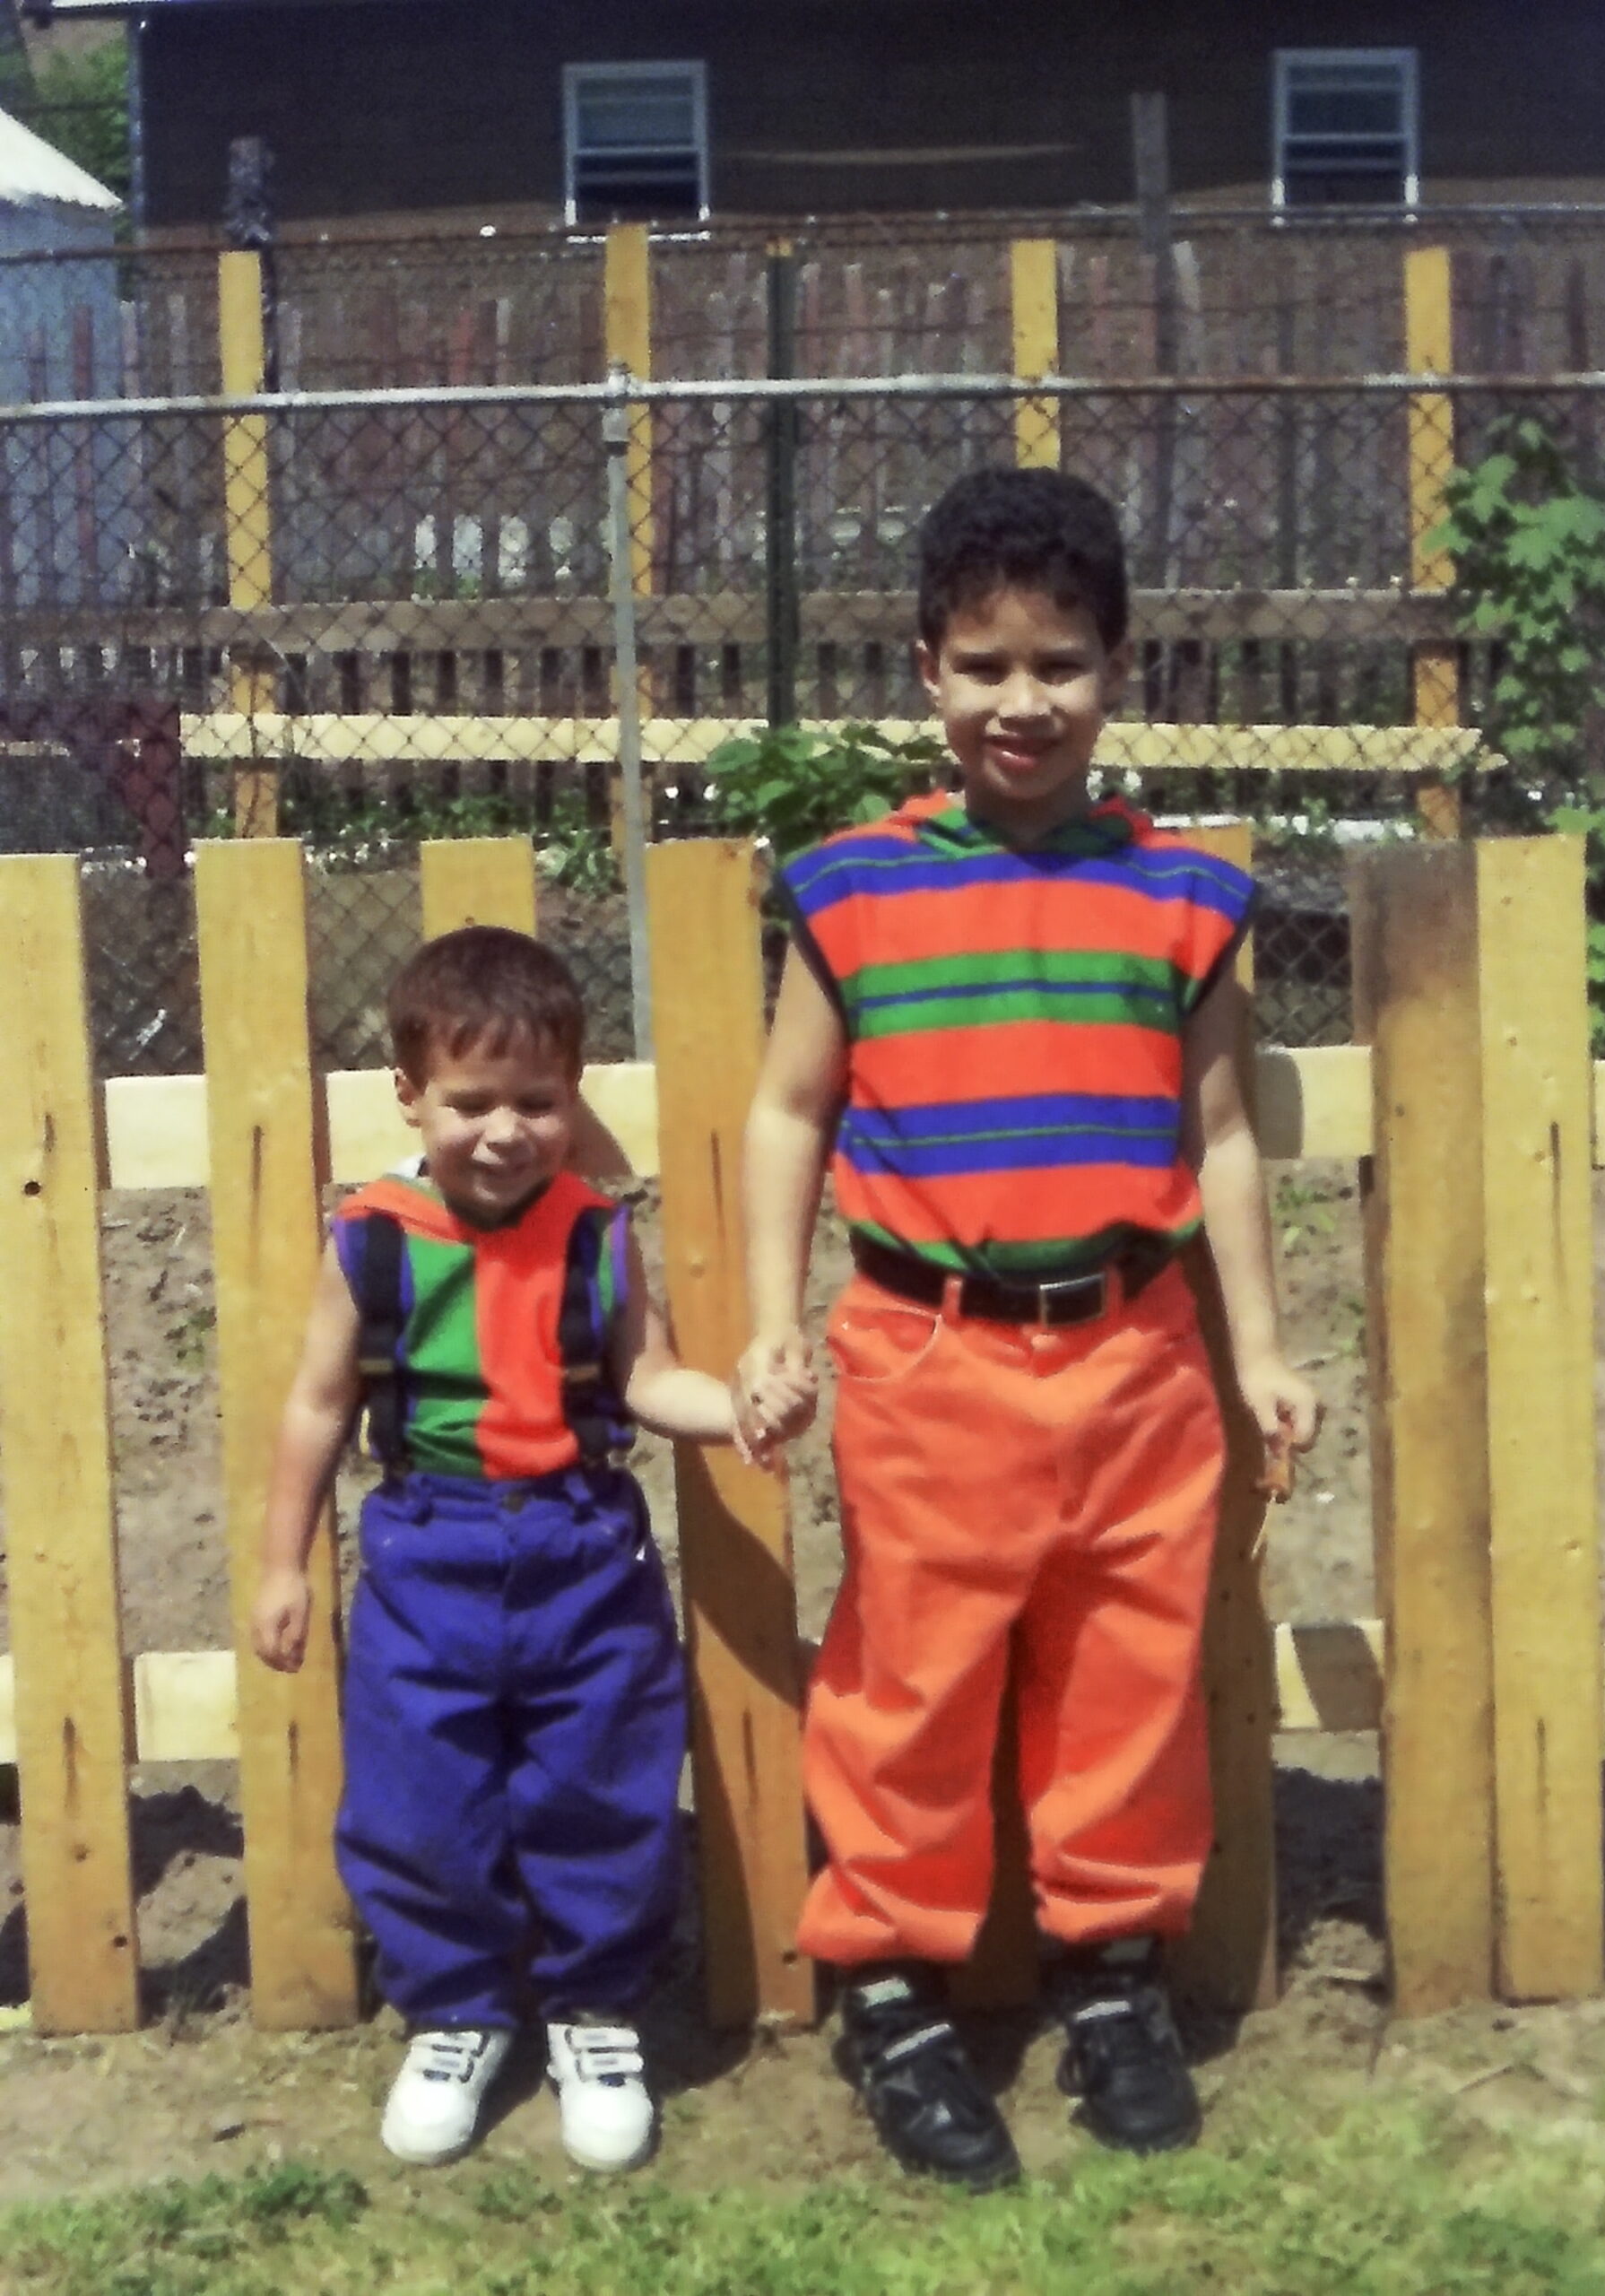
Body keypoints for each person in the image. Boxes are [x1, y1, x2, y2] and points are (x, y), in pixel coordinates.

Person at [735, 466, 1322, 2191]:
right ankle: (891, 1986)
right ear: (927, 670)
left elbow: (1223, 1138)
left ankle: (1113, 1971)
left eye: (1059, 664)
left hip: (1140, 1359)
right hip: (930, 1361)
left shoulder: (1186, 899)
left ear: (1118, 669)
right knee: (912, 1680)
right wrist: (772, 1319)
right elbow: (786, 1115)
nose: (1023, 701)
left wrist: (1259, 1348)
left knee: (1130, 1678)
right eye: (985, 665)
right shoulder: (851, 893)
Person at [251, 926, 783, 2172]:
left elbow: (646, 1377)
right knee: (419, 1797)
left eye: (536, 1103)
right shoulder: (371, 1239)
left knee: (601, 1785)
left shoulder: (597, 1233)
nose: (504, 1133)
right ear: (410, 1097)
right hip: (425, 1550)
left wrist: (738, 1408)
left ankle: (594, 2011)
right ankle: (457, 2013)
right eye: (470, 1103)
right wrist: (282, 1565)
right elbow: (318, 1408)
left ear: (572, 1097)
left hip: (582, 1547)